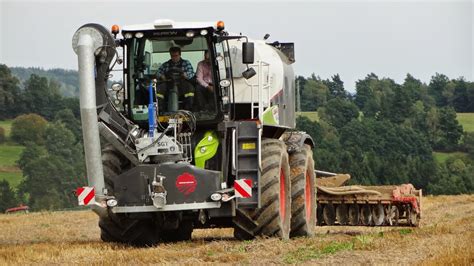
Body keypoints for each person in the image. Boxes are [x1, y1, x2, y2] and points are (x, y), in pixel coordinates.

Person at [156, 47, 195, 111]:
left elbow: (191, 73)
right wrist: (161, 76)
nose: (174, 58)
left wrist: (186, 75)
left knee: (190, 88)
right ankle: (160, 109)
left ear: (180, 54)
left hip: (182, 83)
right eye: (172, 56)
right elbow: (158, 72)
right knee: (159, 89)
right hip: (168, 83)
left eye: (176, 56)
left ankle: (188, 109)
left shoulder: (186, 63)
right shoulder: (166, 64)